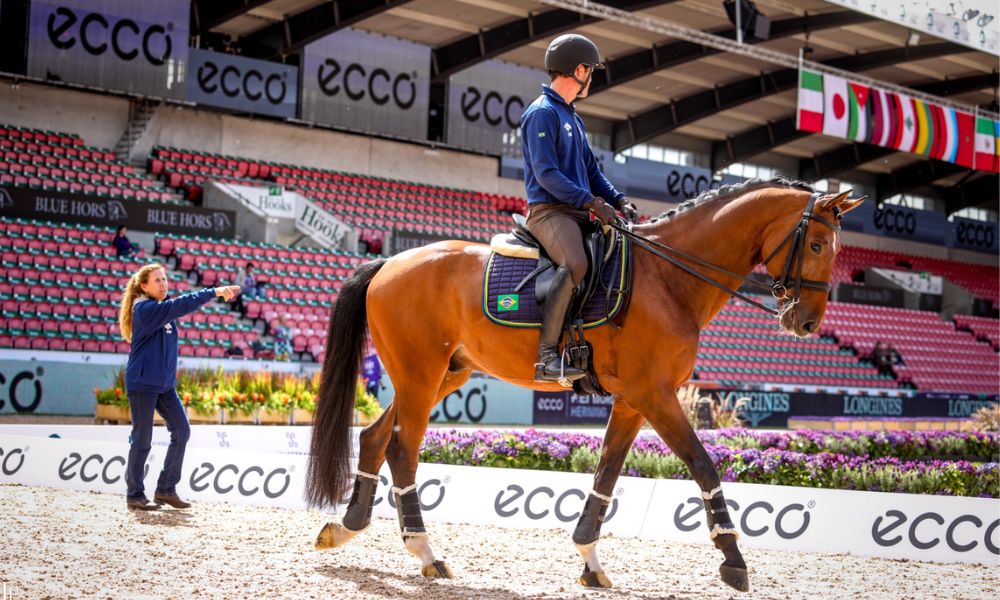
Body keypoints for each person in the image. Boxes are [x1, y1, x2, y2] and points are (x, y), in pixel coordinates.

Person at [521, 33, 637, 383]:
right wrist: (589, 201)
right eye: (592, 70)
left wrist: (618, 199)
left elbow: (591, 172)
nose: (592, 77)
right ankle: (546, 357)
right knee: (576, 263)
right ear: (580, 69)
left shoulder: (573, 117)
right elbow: (546, 173)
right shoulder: (542, 114)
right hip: (550, 212)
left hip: (576, 211)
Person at [118, 263, 240, 510]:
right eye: (157, 280)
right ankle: (134, 495)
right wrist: (214, 291)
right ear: (144, 286)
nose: (163, 284)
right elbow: (180, 305)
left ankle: (165, 489)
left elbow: (175, 310)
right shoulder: (144, 309)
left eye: (164, 279)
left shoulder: (161, 310)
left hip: (163, 385)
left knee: (182, 431)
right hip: (142, 384)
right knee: (142, 440)